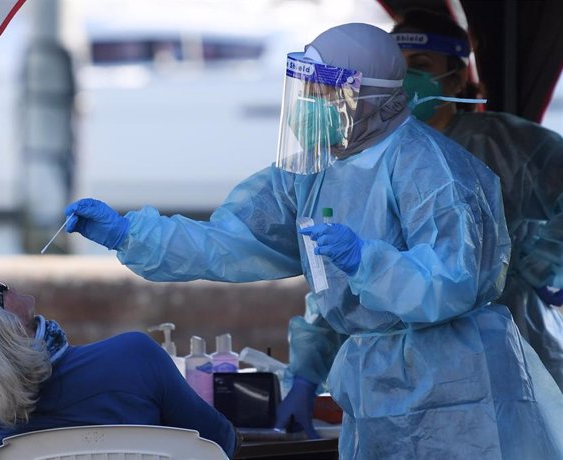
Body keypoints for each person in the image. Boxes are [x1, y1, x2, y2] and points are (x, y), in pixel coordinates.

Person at [64, 23, 563, 458]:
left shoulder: (435, 170)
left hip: (462, 394)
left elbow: (450, 282)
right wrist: (131, 234)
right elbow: (229, 241)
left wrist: (370, 261)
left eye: (327, 93)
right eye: (308, 91)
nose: (313, 106)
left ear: (374, 98)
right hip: (374, 395)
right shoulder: (314, 172)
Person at [391, 8, 563, 390]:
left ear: (455, 78)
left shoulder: (504, 145)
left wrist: (544, 263)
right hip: (413, 358)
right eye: (394, 67)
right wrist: (307, 369)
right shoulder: (379, 159)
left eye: (419, 65)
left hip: (510, 337)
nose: (403, 80)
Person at [0, 280, 239, 457]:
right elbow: (222, 443)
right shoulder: (134, 356)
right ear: (7, 326)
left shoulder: (3, 419)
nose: (1, 282)